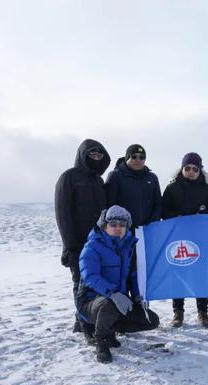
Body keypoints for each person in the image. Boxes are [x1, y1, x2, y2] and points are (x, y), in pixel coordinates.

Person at [77, 205, 160, 363]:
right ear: (104, 225)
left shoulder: (129, 245)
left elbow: (133, 275)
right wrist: (113, 293)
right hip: (90, 301)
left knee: (151, 320)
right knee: (110, 305)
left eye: (122, 224)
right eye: (113, 224)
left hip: (117, 300)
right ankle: (101, 340)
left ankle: (111, 328)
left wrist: (137, 296)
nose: (117, 228)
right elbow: (90, 276)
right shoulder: (92, 246)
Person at [55, 138, 111, 338]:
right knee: (80, 283)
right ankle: (82, 322)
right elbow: (63, 213)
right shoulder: (69, 177)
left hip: (99, 242)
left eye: (99, 156)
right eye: (92, 155)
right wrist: (69, 246)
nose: (96, 159)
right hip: (78, 242)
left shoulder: (98, 181)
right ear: (82, 156)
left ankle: (91, 320)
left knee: (96, 281)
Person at [162, 152, 208, 328]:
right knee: (178, 275)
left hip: (200, 238)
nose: (190, 171)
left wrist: (202, 213)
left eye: (195, 169)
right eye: (187, 168)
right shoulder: (172, 188)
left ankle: (203, 313)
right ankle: (178, 313)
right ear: (182, 169)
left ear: (200, 171)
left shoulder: (207, 189)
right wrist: (177, 216)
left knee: (200, 276)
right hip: (178, 240)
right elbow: (163, 210)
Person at [105, 144, 162, 228]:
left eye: (141, 157)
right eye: (134, 157)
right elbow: (109, 205)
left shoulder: (152, 178)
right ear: (127, 158)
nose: (138, 160)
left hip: (147, 229)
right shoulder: (115, 176)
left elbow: (158, 204)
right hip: (122, 229)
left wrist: (152, 222)